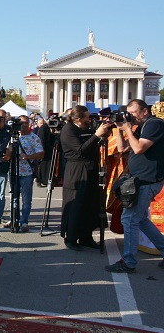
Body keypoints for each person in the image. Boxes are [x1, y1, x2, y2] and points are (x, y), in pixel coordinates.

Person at [106, 99, 164, 273]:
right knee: (141, 220)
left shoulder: (154, 124)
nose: (130, 116)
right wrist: (120, 129)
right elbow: (123, 148)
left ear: (145, 111)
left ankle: (128, 261)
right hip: (139, 180)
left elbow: (138, 149)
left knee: (129, 220)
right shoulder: (140, 126)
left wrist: (128, 129)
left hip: (147, 181)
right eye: (128, 113)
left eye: (133, 113)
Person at [60, 105, 112, 251]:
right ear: (78, 119)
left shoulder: (84, 128)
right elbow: (81, 150)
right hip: (77, 170)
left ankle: (86, 237)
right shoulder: (68, 130)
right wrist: (96, 135)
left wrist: (103, 133)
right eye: (88, 117)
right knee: (76, 204)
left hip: (91, 169)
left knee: (90, 203)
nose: (90, 120)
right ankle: (70, 238)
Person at [12, 115, 44, 232]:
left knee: (26, 199)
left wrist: (28, 157)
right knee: (13, 198)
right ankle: (14, 218)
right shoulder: (13, 137)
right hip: (14, 172)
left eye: (26, 122)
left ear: (29, 124)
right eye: (21, 123)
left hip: (27, 172)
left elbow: (41, 153)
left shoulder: (33, 138)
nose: (23, 125)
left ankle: (24, 221)